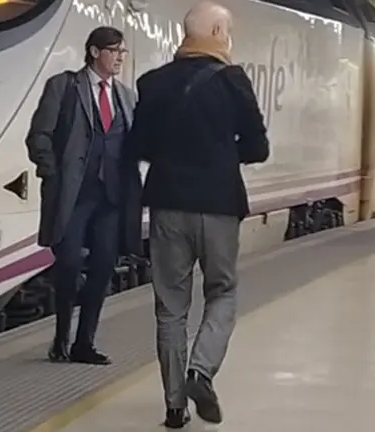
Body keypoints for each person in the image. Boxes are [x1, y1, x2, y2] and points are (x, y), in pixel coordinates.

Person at [128, 1, 269, 428]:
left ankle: (175, 408)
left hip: (169, 203)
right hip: (220, 206)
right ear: (216, 32)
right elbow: (258, 148)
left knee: (170, 308)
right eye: (226, 31)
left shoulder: (152, 82)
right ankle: (200, 370)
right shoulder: (233, 81)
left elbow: (139, 147)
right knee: (222, 292)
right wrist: (226, 154)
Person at [25, 26, 143, 366]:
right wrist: (52, 172)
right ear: (94, 52)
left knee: (104, 267)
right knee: (70, 264)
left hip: (111, 199)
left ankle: (84, 343)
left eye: (123, 51)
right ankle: (61, 338)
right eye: (114, 50)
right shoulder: (64, 87)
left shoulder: (125, 95)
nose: (121, 57)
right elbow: (39, 135)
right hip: (73, 197)